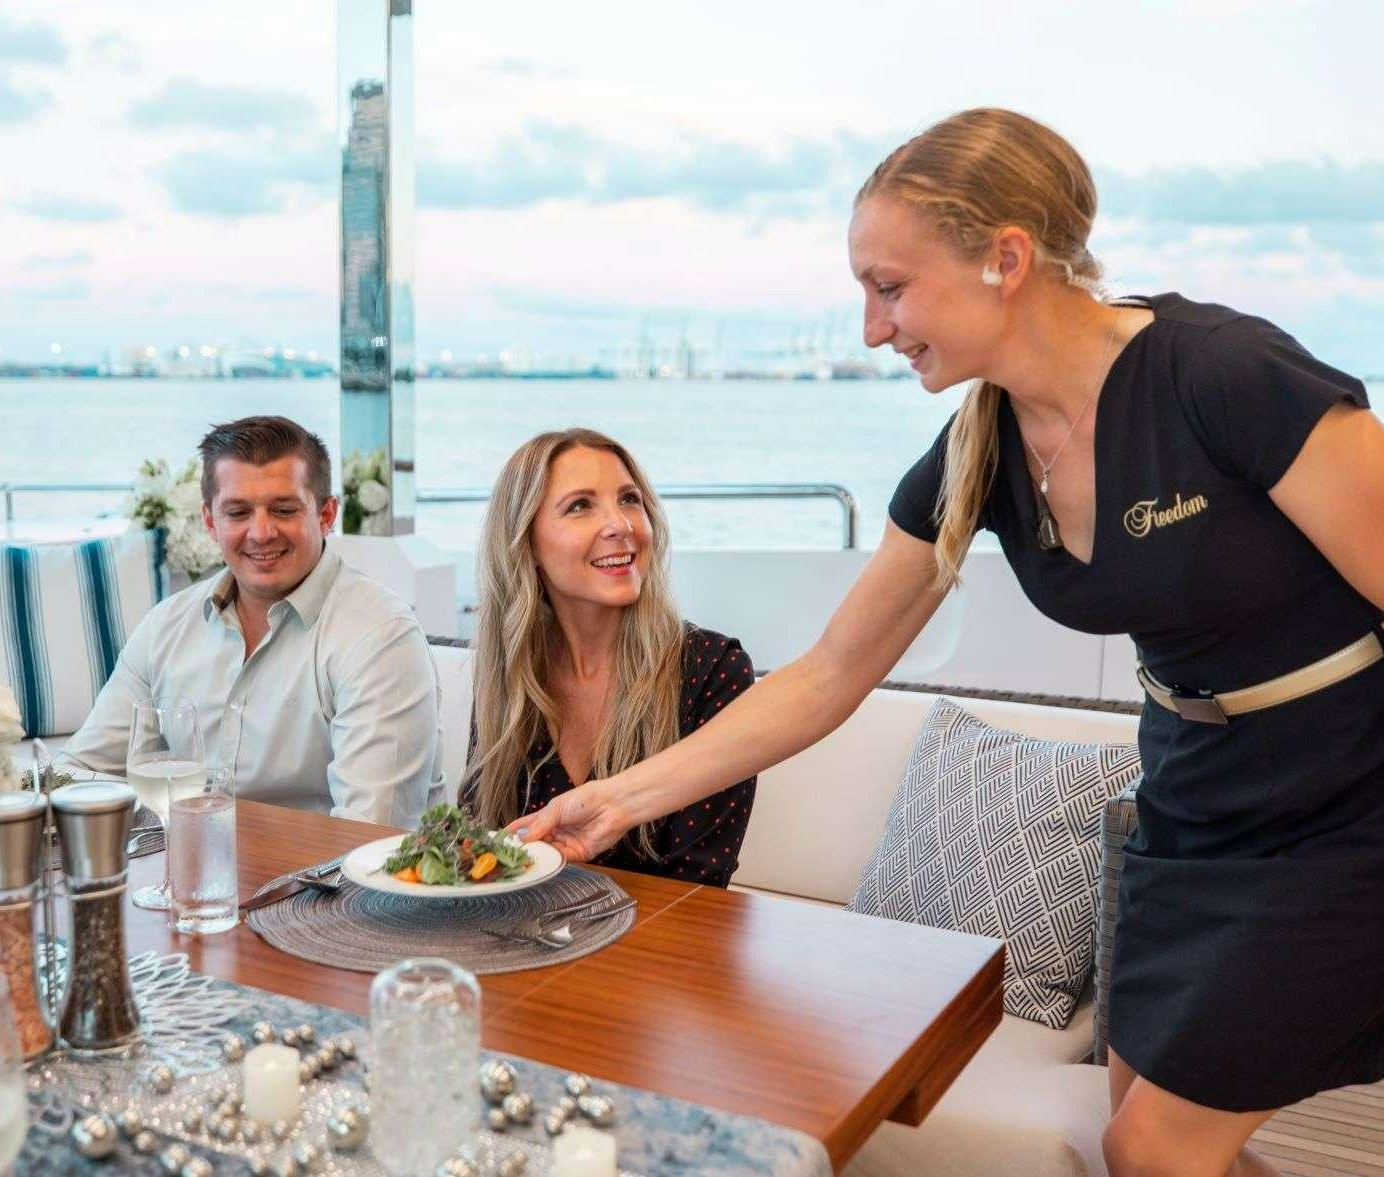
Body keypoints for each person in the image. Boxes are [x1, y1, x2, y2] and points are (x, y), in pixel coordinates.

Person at [515, 109, 1384, 1175]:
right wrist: (615, 800)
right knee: (1135, 1142)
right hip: (1189, 797)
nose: (871, 328)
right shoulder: (980, 447)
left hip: (1342, 798)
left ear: (1003, 259)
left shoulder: (1219, 373)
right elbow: (831, 672)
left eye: (889, 287)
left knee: (1157, 1147)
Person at [62, 415, 442, 827]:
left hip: (322, 868)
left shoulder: (380, 636)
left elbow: (368, 832)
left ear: (326, 515)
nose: (261, 533)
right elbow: (80, 775)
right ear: (211, 521)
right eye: (238, 512)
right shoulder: (166, 626)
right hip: (184, 862)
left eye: (284, 510)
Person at [461, 428, 756, 886]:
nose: (621, 525)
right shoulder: (512, 671)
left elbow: (698, 886)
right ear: (527, 543)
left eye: (629, 500)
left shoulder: (713, 669)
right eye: (580, 506)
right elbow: (478, 848)